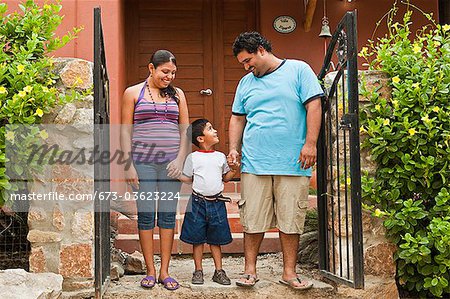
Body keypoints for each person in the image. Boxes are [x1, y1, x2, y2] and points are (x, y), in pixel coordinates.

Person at [228, 32, 323, 290]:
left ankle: (289, 272)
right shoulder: (246, 83)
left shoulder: (299, 70)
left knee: (291, 219)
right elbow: (237, 118)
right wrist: (234, 149)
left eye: (248, 60)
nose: (246, 67)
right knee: (253, 218)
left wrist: (310, 143)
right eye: (243, 64)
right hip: (255, 162)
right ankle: (250, 271)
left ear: (261, 50)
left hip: (294, 161)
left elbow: (314, 106)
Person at [120, 50, 190, 291]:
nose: (169, 76)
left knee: (169, 216)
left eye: (173, 73)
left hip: (171, 164)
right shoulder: (132, 93)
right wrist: (128, 164)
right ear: (151, 68)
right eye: (165, 71)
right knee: (147, 216)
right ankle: (150, 270)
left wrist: (181, 160)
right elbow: (125, 131)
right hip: (143, 163)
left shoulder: (178, 95)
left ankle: (165, 271)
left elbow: (184, 130)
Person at [178, 119, 239, 285]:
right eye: (210, 129)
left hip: (217, 203)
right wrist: (176, 174)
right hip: (197, 203)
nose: (215, 131)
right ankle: (198, 271)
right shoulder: (193, 158)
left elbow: (225, 178)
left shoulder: (220, 157)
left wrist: (233, 169)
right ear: (200, 138)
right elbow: (188, 179)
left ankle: (219, 271)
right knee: (197, 239)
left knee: (216, 239)